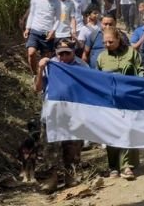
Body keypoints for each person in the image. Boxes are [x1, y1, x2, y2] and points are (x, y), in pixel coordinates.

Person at [36, 39, 87, 192]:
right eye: (60, 54)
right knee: (49, 147)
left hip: (73, 113)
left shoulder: (82, 67)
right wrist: (39, 69)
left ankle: (71, 176)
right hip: (51, 112)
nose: (63, 57)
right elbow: (37, 88)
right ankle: (50, 180)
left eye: (67, 53)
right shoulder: (50, 65)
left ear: (73, 52)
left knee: (72, 147)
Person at [96, 27, 142, 180]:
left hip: (129, 99)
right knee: (111, 132)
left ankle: (127, 165)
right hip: (110, 102)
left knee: (129, 129)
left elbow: (140, 72)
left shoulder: (132, 53)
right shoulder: (101, 57)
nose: (107, 44)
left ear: (119, 40)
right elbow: (97, 79)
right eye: (105, 42)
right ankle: (113, 166)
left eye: (111, 41)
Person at [24, 0, 61, 77]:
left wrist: (53, 31)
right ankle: (35, 74)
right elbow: (32, 13)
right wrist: (27, 28)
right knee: (31, 53)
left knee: (45, 60)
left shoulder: (56, 2)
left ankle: (42, 77)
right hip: (35, 30)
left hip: (47, 34)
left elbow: (58, 19)